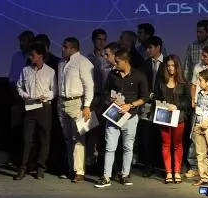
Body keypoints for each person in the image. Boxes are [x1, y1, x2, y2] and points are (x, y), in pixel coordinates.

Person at [96, 50, 149, 188]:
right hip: (113, 114)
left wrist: (130, 105)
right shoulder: (112, 74)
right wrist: (111, 98)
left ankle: (125, 175)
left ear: (125, 61)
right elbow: (106, 91)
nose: (115, 63)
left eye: (117, 61)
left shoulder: (139, 76)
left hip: (130, 116)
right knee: (110, 146)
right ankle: (106, 177)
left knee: (127, 147)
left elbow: (145, 97)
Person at [56, 37, 95, 183]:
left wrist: (87, 105)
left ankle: (79, 171)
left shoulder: (83, 62)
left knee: (78, 137)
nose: (62, 49)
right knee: (67, 138)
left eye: (65, 47)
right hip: (62, 102)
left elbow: (89, 85)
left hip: (77, 102)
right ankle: (71, 168)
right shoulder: (61, 62)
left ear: (73, 48)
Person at [15, 43, 56, 181]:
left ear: (41, 56)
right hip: (30, 106)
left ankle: (40, 168)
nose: (31, 57)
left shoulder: (50, 71)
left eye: (33, 55)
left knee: (44, 139)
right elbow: (19, 86)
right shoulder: (26, 70)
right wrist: (26, 96)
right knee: (27, 139)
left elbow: (54, 91)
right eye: (30, 55)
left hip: (44, 107)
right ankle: (23, 167)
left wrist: (46, 96)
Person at [158, 55, 191, 184]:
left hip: (179, 117)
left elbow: (188, 102)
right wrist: (163, 105)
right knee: (166, 144)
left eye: (173, 65)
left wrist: (176, 106)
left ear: (177, 66)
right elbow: (156, 97)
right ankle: (168, 173)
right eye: (168, 66)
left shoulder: (184, 82)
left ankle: (177, 172)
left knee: (177, 144)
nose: (171, 68)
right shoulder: (161, 81)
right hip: (164, 117)